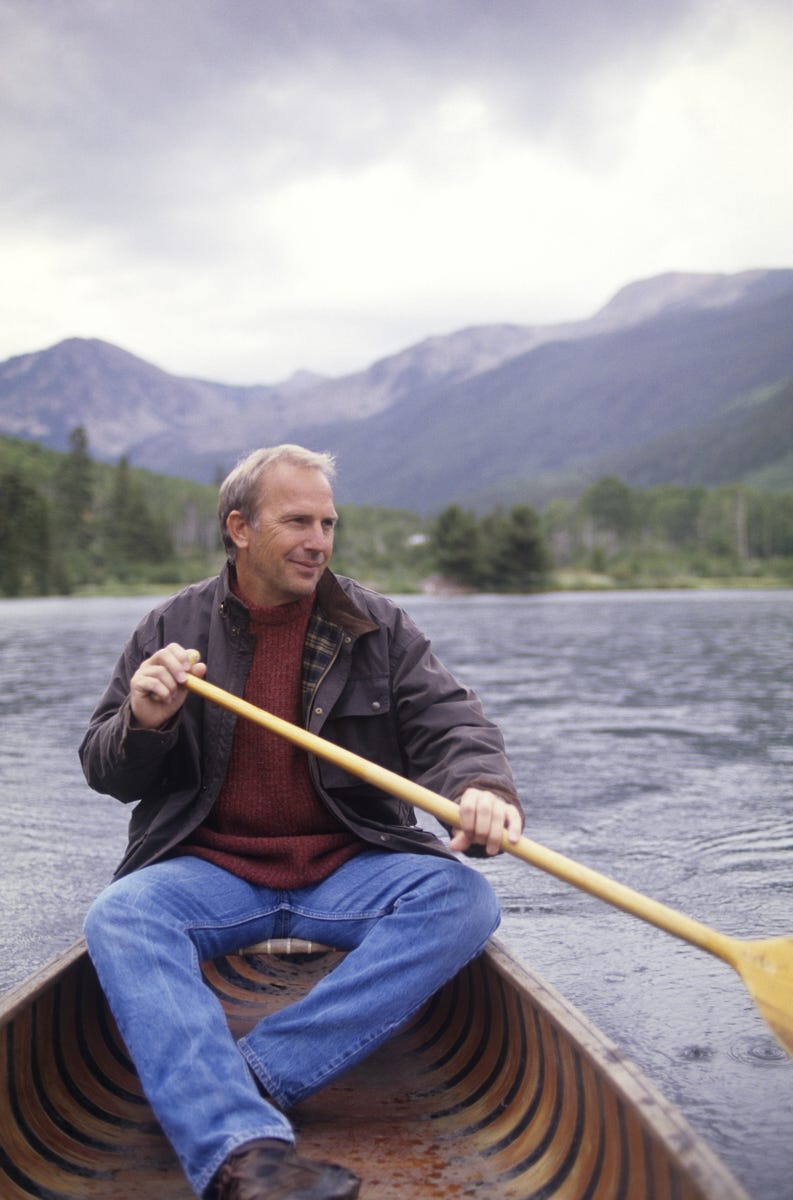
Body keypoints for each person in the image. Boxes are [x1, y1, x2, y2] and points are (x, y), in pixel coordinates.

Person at [80, 444, 523, 1200]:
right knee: (120, 915)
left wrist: (480, 786)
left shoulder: (373, 624)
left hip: (349, 863)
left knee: (463, 900)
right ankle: (244, 1153)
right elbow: (103, 768)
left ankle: (251, 1075)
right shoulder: (171, 626)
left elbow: (449, 721)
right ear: (239, 528)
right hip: (210, 868)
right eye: (297, 521)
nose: (319, 539)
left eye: (328, 522)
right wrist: (145, 719)